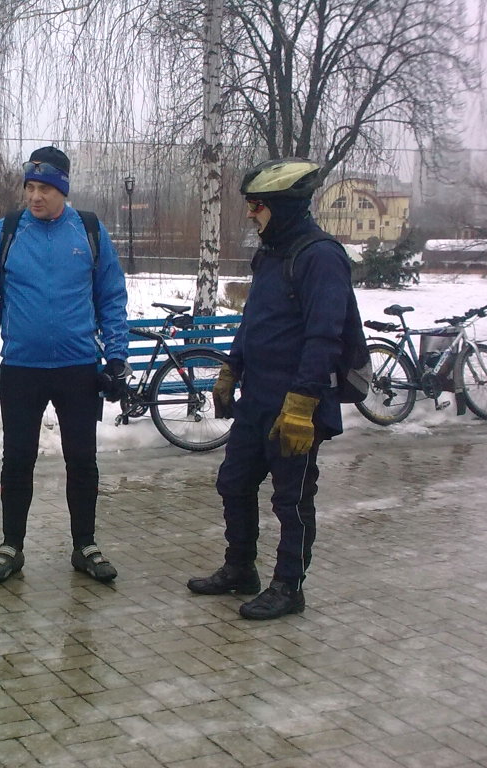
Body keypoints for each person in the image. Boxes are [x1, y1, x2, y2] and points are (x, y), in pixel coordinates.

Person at [0, 146, 130, 585]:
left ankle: (85, 545)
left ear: (63, 189)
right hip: (22, 370)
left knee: (82, 460)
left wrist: (116, 356)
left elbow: (111, 296)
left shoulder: (89, 231)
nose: (35, 196)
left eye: (44, 188)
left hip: (78, 368)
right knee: (17, 459)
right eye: (29, 187)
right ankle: (11, 546)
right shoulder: (7, 232)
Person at [187, 158, 351, 620]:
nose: (250, 213)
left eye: (257, 204)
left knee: (291, 500)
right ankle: (240, 568)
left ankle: (288, 587)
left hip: (295, 406)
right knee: (234, 482)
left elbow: (325, 336)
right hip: (257, 399)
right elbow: (253, 321)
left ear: (284, 205)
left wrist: (302, 404)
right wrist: (231, 368)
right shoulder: (272, 254)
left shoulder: (320, 256)